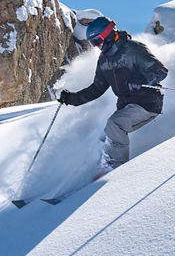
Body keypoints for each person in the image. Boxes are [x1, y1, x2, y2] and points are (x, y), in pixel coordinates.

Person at [58, 17, 168, 173]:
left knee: (114, 125)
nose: (96, 47)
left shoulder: (134, 49)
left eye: (97, 41)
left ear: (108, 34)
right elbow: (96, 88)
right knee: (101, 137)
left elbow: (160, 71)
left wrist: (140, 79)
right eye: (92, 44)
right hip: (126, 106)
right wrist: (72, 99)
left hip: (147, 102)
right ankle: (97, 170)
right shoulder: (104, 60)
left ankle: (116, 171)